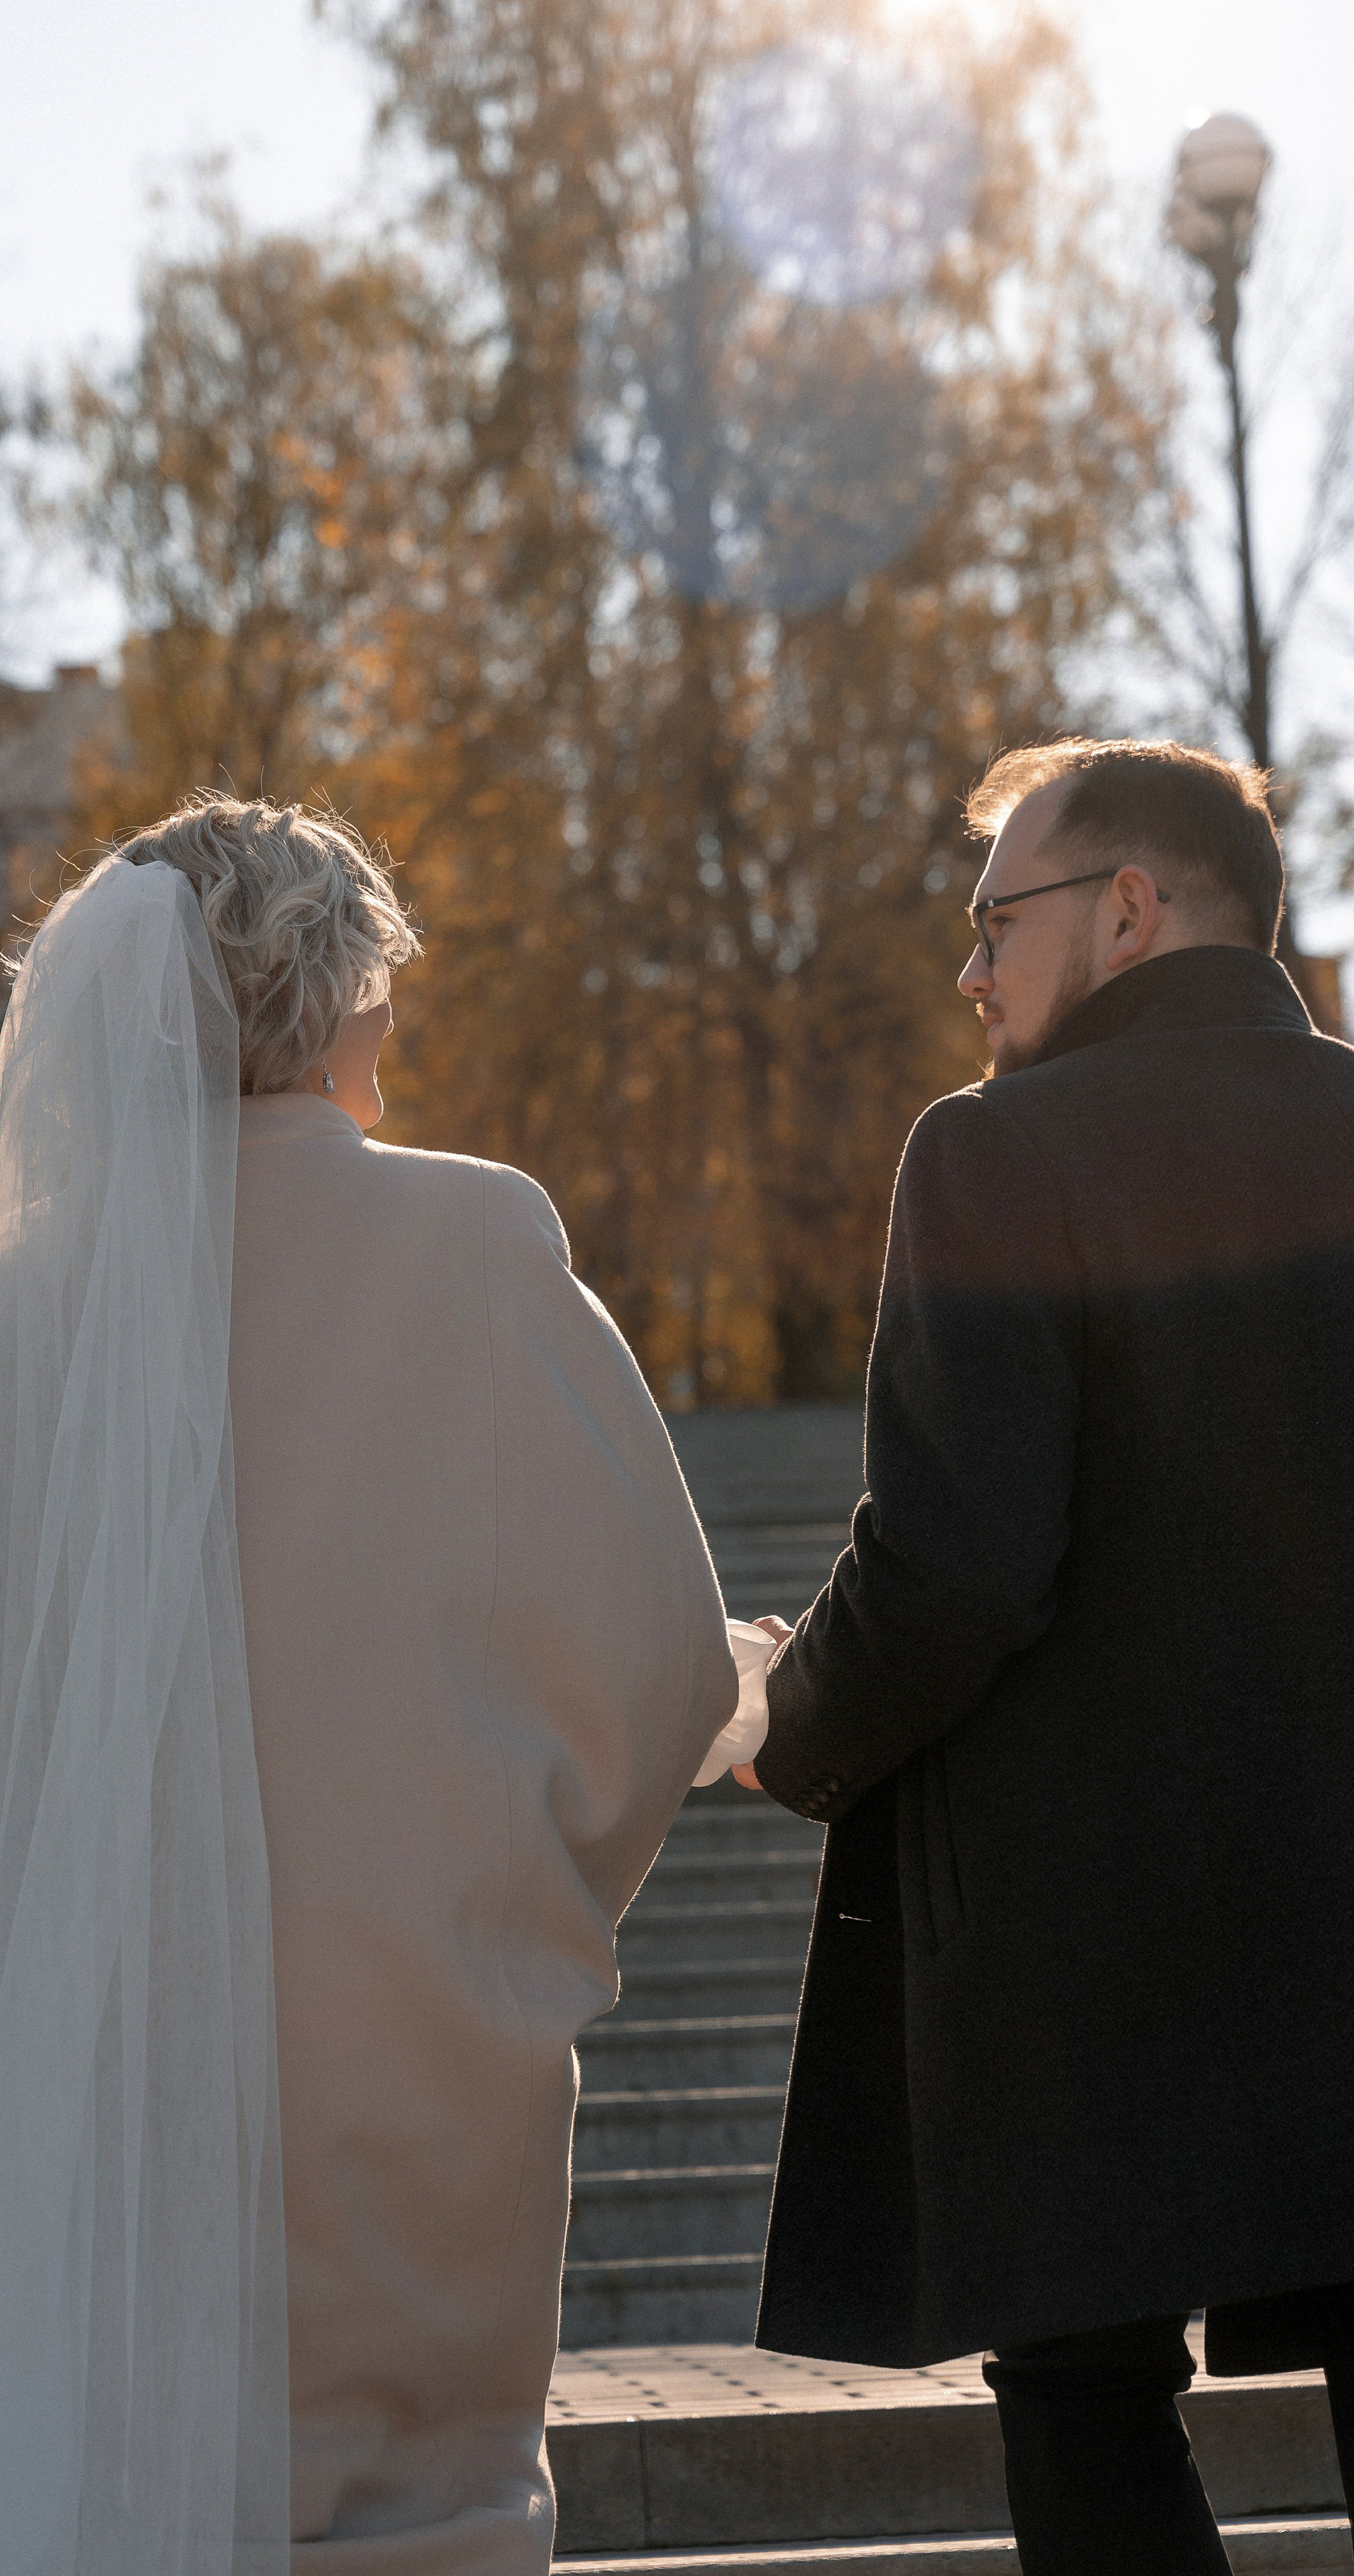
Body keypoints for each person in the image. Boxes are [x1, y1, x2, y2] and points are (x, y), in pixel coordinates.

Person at [0, 791, 740, 2576]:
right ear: (342, 989)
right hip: (402, 2060)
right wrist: (509, 1914)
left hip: (88, 2104)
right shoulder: (477, 1240)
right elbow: (659, 1665)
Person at [739, 739, 1354, 2574]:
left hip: (1087, 1947)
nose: (971, 969)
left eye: (997, 919)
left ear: (1130, 911)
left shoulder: (999, 1150)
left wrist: (785, 1722)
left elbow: (955, 1564)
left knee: (1090, 2411)